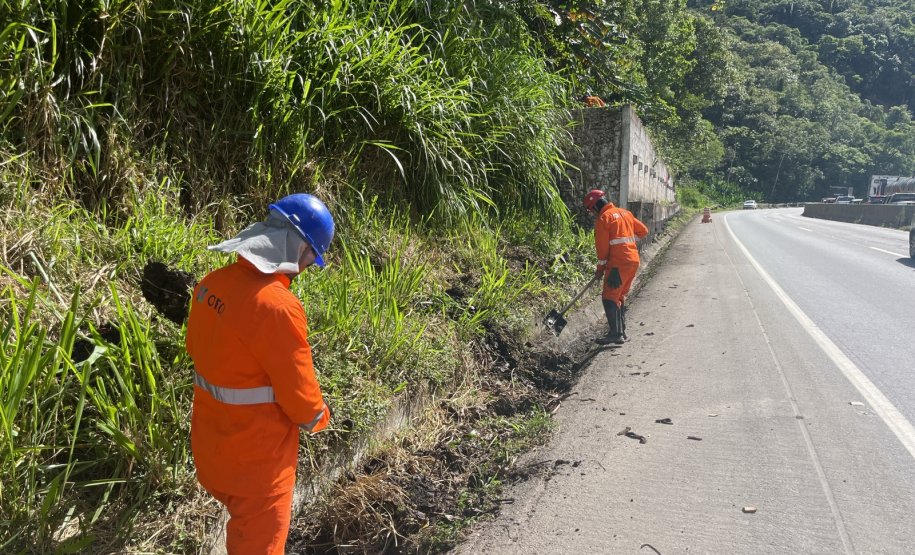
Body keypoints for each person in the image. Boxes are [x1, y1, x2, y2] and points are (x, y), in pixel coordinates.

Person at [186, 193, 334, 554]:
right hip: (257, 470)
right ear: (300, 250)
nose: (309, 266)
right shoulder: (277, 307)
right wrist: (320, 418)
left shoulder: (212, 284)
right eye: (313, 257)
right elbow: (301, 399)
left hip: (211, 451)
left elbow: (199, 349)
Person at [583, 190, 648, 345]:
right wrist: (629, 245)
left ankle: (615, 333)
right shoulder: (625, 213)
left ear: (596, 207)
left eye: (591, 210)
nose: (592, 214)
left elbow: (602, 249)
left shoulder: (604, 219)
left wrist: (600, 269)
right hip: (633, 261)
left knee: (609, 297)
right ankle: (621, 332)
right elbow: (643, 231)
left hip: (618, 265)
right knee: (619, 296)